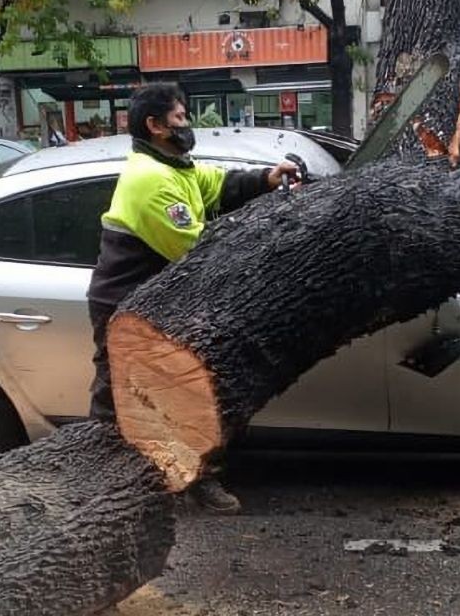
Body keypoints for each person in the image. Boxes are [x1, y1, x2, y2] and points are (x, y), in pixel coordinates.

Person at [86, 82, 300, 515]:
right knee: (120, 402)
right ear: (155, 125)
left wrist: (266, 178)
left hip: (161, 302)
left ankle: (191, 479)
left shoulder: (173, 166)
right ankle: (104, 492)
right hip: (127, 307)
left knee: (188, 395)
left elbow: (214, 184)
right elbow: (196, 250)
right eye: (180, 117)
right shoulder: (149, 181)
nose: (187, 124)